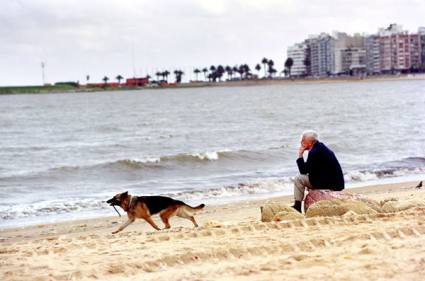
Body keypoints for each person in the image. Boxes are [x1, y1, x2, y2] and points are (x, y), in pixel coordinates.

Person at [292, 130, 344, 213]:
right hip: (336, 183)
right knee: (308, 179)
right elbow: (310, 168)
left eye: (302, 140)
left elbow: (303, 171)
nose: (300, 142)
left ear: (308, 142)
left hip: (329, 183)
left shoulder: (314, 152)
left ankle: (297, 206)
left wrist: (300, 155)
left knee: (299, 179)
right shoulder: (321, 148)